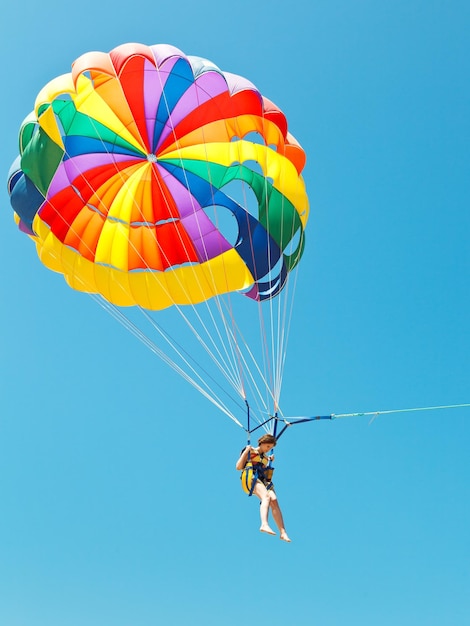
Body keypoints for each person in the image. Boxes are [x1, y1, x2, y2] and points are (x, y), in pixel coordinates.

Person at [236, 434, 291, 542]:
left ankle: (283, 532)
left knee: (274, 500)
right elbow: (238, 467)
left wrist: (268, 463)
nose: (268, 449)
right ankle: (264, 524)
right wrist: (246, 451)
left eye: (270, 448)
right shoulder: (250, 451)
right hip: (250, 478)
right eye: (268, 446)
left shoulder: (266, 458)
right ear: (262, 443)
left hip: (262, 480)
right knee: (266, 497)